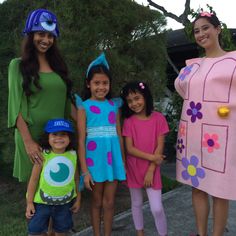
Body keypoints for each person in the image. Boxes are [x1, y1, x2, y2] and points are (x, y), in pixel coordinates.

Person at [175, 11, 236, 236]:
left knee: (220, 189)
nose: (201, 34)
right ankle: (201, 233)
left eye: (205, 28)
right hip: (192, 132)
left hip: (220, 137)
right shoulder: (191, 67)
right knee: (198, 185)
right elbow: (183, 90)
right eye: (197, 31)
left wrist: (229, 107)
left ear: (218, 28)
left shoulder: (233, 60)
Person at [8, 8, 76, 182]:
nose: (46, 40)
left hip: (59, 137)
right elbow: (15, 107)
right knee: (36, 195)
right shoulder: (18, 66)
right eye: (40, 34)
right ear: (31, 35)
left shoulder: (58, 67)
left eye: (50, 36)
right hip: (32, 137)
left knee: (58, 185)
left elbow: (67, 104)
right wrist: (28, 142)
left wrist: (86, 127)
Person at [76, 53, 126, 236]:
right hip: (94, 161)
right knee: (96, 202)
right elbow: (81, 140)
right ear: (88, 84)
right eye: (96, 83)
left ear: (109, 84)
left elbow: (119, 136)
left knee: (110, 202)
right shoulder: (84, 106)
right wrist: (85, 171)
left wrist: (123, 162)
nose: (101, 87)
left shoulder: (114, 105)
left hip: (112, 161)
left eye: (105, 83)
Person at [120, 81, 169, 236]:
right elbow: (130, 149)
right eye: (129, 101)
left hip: (152, 170)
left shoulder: (159, 118)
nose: (134, 103)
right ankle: (139, 232)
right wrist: (154, 157)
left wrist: (152, 168)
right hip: (134, 167)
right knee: (136, 203)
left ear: (145, 96)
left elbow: (159, 146)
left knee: (157, 208)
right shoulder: (128, 122)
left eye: (137, 98)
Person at [26, 118, 80, 236]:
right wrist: (29, 202)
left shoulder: (73, 155)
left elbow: (76, 179)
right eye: (54, 134)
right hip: (41, 204)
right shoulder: (43, 155)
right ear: (48, 137)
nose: (59, 138)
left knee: (62, 230)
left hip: (65, 203)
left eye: (63, 134)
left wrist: (78, 198)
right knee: (37, 231)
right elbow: (33, 180)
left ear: (70, 137)